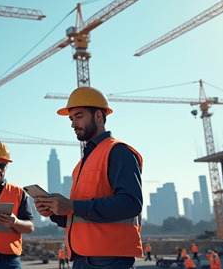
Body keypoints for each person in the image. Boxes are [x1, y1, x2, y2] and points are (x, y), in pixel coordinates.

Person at [34, 87, 143, 269]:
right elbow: (82, 217)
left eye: (79, 116)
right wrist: (55, 212)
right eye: (71, 119)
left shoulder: (118, 152)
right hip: (81, 258)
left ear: (98, 116)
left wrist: (71, 206)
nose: (73, 124)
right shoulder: (82, 164)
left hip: (110, 261)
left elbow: (131, 204)